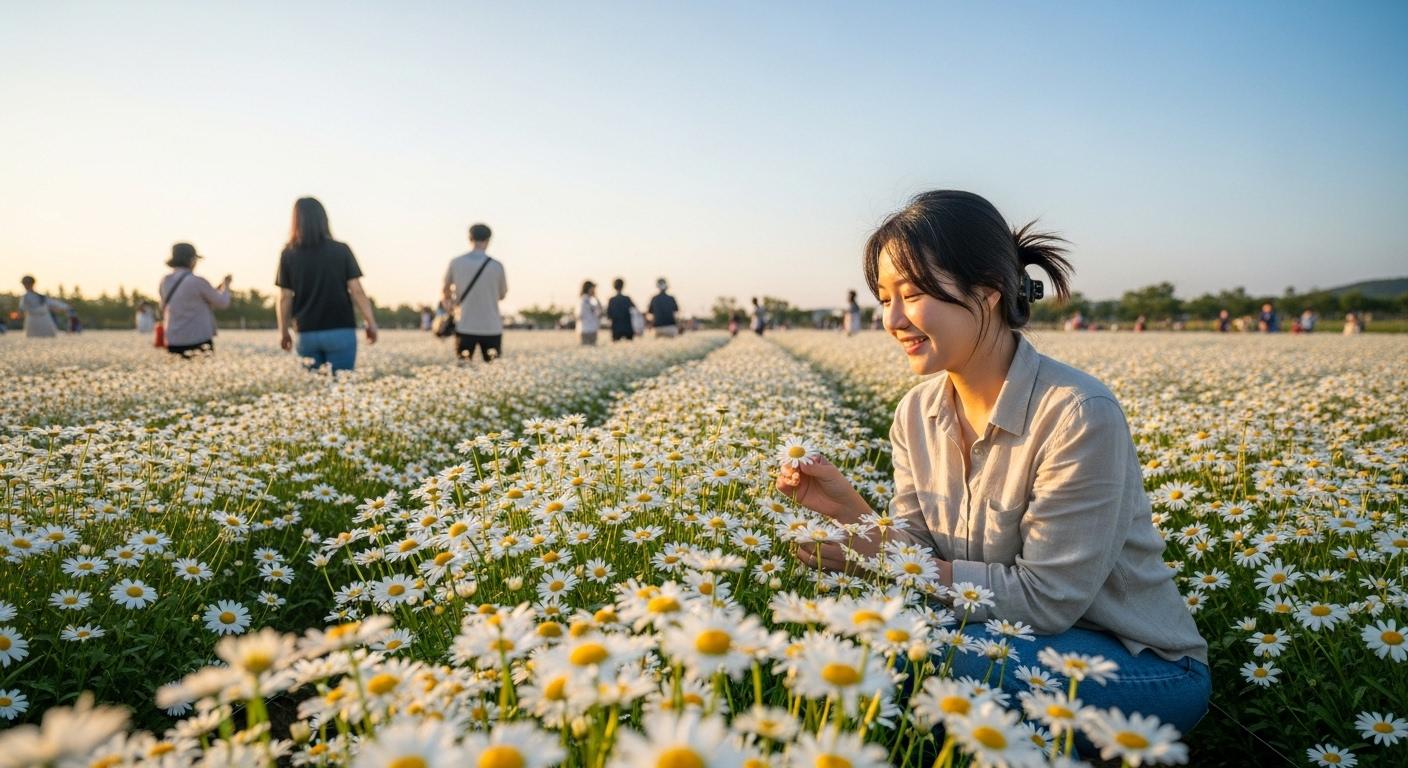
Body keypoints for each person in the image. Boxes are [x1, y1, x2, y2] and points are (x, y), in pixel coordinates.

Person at [776, 190, 1209, 744]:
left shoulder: (1078, 413)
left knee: (923, 659)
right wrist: (853, 514)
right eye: (883, 298)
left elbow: (1045, 598)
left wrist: (879, 562)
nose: (892, 319)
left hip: (1137, 666)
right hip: (999, 638)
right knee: (886, 648)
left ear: (988, 292)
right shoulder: (916, 412)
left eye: (911, 294)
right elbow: (917, 550)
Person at [275, 197, 379, 372]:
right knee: (342, 390)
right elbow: (357, 291)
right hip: (340, 329)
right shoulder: (341, 250)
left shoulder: (288, 253)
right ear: (324, 219)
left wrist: (284, 332)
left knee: (315, 391)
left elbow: (285, 298)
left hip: (305, 331)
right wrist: (371, 323)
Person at [443, 223, 508, 362]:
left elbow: (445, 291)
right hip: (492, 327)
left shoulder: (456, 262)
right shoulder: (497, 266)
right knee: (494, 371)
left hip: (465, 325)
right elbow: (502, 295)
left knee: (464, 369)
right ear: (489, 240)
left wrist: (451, 304)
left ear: (469, 238)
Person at [160, 243, 231, 356]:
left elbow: (165, 305)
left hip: (173, 340)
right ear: (191, 260)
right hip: (198, 339)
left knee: (178, 373)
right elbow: (222, 303)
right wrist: (226, 286)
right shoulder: (197, 281)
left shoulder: (165, 281)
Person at [577, 281, 602, 346]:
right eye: (593, 288)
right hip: (586, 329)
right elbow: (579, 315)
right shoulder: (583, 300)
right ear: (588, 288)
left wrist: (596, 297)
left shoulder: (590, 300)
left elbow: (599, 311)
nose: (594, 290)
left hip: (591, 329)